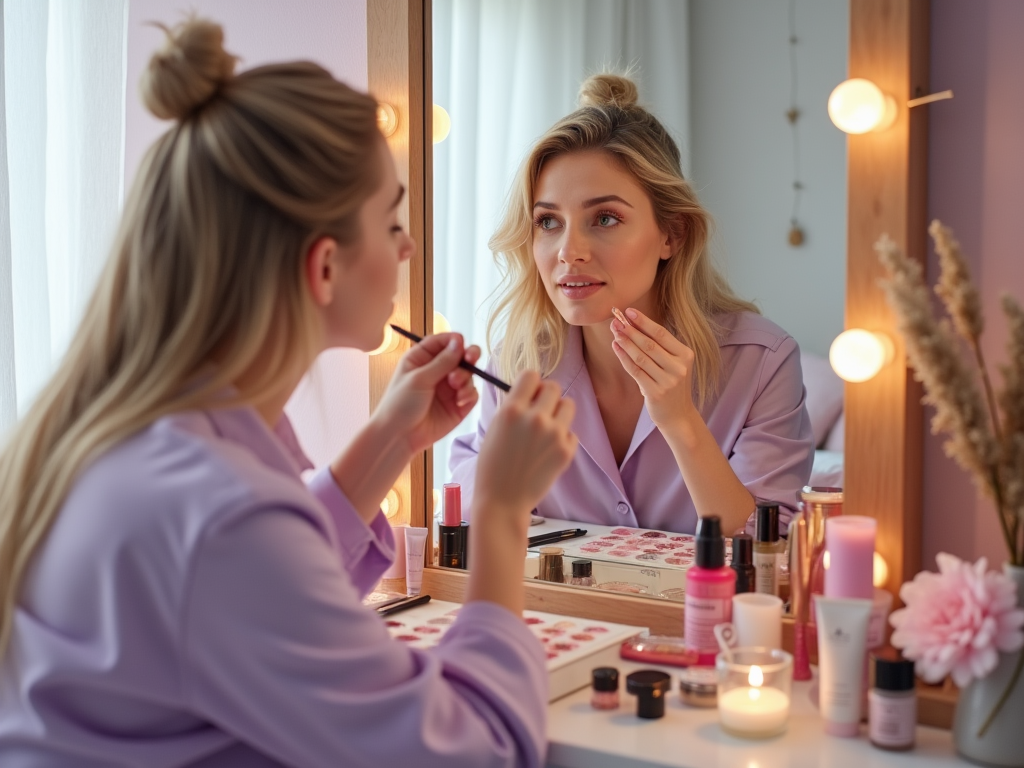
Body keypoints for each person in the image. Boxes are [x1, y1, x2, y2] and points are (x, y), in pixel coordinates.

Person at [0, 20, 577, 768]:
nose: (406, 247)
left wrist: (392, 441)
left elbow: (257, 598)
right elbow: (472, 753)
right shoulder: (218, 514)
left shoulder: (142, 437)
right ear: (324, 267)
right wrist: (502, 513)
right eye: (392, 220)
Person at [450, 74, 814, 537]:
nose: (568, 251)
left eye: (604, 218)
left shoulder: (762, 363)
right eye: (548, 221)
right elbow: (471, 516)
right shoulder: (517, 363)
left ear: (671, 234)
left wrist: (681, 422)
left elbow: (768, 550)